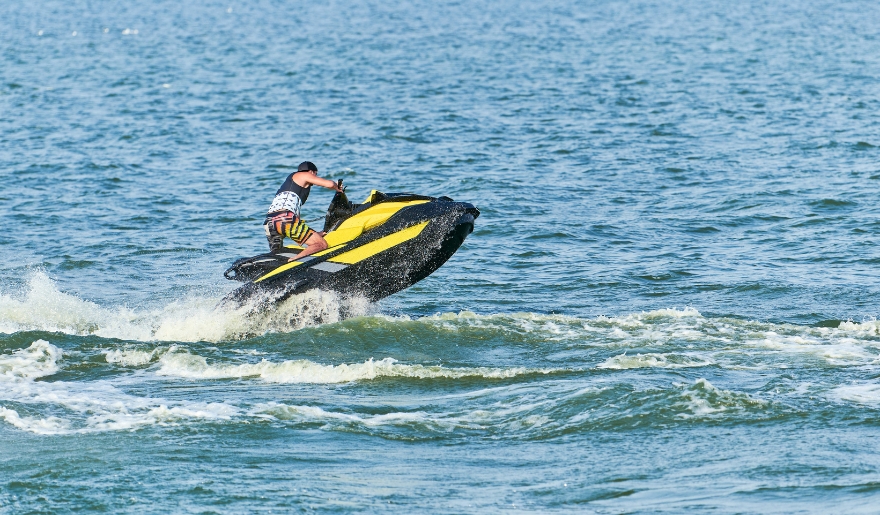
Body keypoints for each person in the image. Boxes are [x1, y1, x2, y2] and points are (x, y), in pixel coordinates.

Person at [264, 161, 343, 261]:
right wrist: (337, 186)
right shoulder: (303, 175)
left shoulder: (290, 187)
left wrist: (315, 234)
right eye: (316, 174)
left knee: (277, 255)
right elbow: (329, 184)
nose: (315, 177)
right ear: (311, 172)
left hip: (270, 222)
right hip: (285, 219)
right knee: (321, 244)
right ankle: (293, 263)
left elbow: (297, 232)